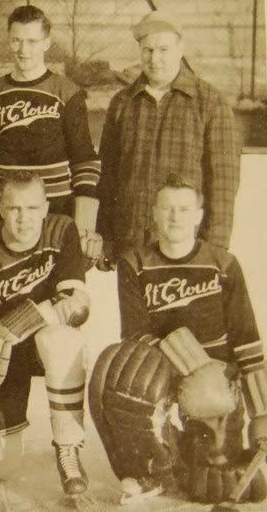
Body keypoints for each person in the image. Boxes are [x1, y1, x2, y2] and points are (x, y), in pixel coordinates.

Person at [91, 177, 267, 505]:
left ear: (198, 215)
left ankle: (202, 450)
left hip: (216, 382)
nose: (175, 216)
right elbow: (134, 332)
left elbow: (246, 338)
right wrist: (189, 362)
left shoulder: (223, 263)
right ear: (154, 213)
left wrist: (263, 413)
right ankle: (149, 469)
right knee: (125, 373)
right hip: (162, 370)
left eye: (184, 209)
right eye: (168, 208)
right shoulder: (134, 262)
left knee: (213, 477)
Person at [0, 170, 91, 499]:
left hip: (44, 344)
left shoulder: (61, 229)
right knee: (3, 467)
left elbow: (76, 304)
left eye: (32, 208)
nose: (24, 218)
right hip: (5, 359)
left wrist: (19, 322)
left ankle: (68, 447)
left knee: (62, 338)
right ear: (0, 209)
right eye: (15, 208)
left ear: (45, 208)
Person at [97, 11, 240, 262]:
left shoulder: (210, 102)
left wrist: (214, 249)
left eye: (164, 49)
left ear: (180, 49)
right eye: (148, 50)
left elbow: (223, 185)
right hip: (131, 244)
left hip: (186, 248)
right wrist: (106, 237)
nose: (155, 59)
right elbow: (108, 176)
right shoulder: (122, 103)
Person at [0, 4, 103, 262]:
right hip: (7, 209)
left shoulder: (66, 91)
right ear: (9, 40)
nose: (23, 49)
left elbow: (84, 159)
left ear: (46, 43)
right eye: (16, 40)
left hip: (56, 208)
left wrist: (84, 223)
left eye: (32, 41)